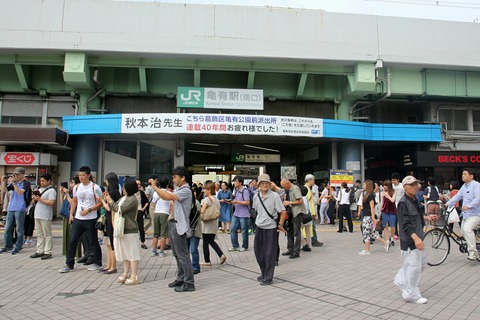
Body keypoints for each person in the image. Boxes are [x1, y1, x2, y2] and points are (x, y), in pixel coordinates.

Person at [150, 166, 195, 292]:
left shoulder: (186, 190)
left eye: (175, 177)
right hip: (173, 223)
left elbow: (167, 197)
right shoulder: (179, 189)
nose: (173, 180)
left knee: (183, 255)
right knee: (177, 254)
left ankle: (189, 282)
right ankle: (181, 278)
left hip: (179, 225)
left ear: (183, 178)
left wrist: (155, 187)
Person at [394, 175, 437, 304]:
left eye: (416, 184)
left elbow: (416, 217)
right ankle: (410, 294)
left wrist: (427, 218)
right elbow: (405, 224)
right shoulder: (403, 203)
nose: (415, 187)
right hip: (410, 240)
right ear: (405, 187)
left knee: (420, 263)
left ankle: (401, 280)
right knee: (414, 267)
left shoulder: (414, 200)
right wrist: (416, 238)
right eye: (411, 185)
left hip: (418, 237)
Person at [59, 166, 103, 273]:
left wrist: (89, 210)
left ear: (88, 175)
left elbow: (101, 202)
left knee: (93, 241)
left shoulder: (95, 187)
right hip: (78, 218)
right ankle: (69, 264)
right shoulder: (77, 187)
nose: (81, 177)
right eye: (80, 175)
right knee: (73, 241)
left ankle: (97, 263)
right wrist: (71, 215)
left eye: (83, 175)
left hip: (90, 218)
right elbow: (74, 201)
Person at [103, 179, 141, 285]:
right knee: (124, 253)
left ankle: (134, 275)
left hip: (130, 230)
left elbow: (119, 209)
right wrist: (109, 200)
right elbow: (115, 207)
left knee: (132, 253)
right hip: (121, 229)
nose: (122, 189)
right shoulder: (124, 198)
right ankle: (126, 273)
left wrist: (110, 200)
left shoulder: (133, 199)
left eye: (124, 187)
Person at [252, 174, 286, 285]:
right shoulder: (256, 196)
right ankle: (263, 272)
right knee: (258, 252)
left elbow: (283, 212)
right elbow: (255, 210)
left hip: (271, 228)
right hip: (259, 227)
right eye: (262, 183)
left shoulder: (275, 196)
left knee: (269, 253)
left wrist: (280, 225)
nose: (264, 185)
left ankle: (268, 277)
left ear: (270, 184)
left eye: (266, 183)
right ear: (259, 185)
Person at [446, 168, 480, 260]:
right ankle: (473, 246)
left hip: (475, 214)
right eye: (462, 174)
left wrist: (469, 206)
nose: (463, 176)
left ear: (471, 176)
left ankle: (473, 252)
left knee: (467, 229)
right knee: (463, 232)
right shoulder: (464, 186)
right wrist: (448, 204)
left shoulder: (476, 185)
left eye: (465, 174)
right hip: (466, 215)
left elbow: (478, 199)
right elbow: (457, 196)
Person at [0, 167, 31, 255]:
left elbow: (20, 192)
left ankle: (18, 246)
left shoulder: (26, 183)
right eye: (15, 174)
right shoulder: (14, 183)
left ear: (22, 174)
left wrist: (14, 184)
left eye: (17, 174)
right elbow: (4, 190)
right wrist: (4, 182)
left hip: (20, 208)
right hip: (11, 207)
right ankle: (8, 246)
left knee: (19, 229)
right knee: (7, 228)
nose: (16, 176)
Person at [358, 180, 389, 255]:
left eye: (364, 184)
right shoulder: (365, 194)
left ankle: (367, 249)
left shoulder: (370, 195)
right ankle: (385, 243)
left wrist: (373, 218)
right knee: (371, 233)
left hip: (367, 216)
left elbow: (372, 207)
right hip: (365, 215)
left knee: (366, 232)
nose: (363, 186)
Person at [99, 172, 122, 274]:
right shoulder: (114, 192)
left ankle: (113, 266)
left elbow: (109, 208)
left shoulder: (113, 193)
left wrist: (102, 201)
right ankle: (109, 265)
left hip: (111, 220)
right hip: (109, 219)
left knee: (111, 244)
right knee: (108, 243)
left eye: (107, 180)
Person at [199, 182, 226, 266]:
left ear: (209, 190)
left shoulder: (206, 199)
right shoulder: (217, 200)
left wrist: (200, 211)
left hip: (206, 224)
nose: (204, 191)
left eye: (205, 189)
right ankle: (221, 255)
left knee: (205, 243)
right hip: (214, 224)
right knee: (211, 241)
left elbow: (202, 210)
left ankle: (207, 260)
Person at [30, 174, 56, 260]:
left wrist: (40, 199)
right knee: (39, 234)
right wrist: (34, 198)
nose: (42, 182)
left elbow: (51, 202)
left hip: (45, 215)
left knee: (47, 234)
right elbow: (34, 202)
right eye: (41, 181)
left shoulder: (51, 190)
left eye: (43, 181)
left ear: (49, 181)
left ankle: (47, 251)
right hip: (37, 214)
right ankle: (39, 250)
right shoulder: (39, 189)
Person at [280, 178, 305, 259]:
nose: (284, 188)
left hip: (297, 213)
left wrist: (289, 202)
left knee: (296, 232)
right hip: (291, 213)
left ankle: (296, 251)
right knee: (289, 231)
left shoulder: (295, 188)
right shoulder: (288, 190)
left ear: (288, 183)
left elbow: (300, 201)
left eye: (284, 186)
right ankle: (290, 249)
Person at [60, 177, 83, 258]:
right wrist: (61, 193)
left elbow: (73, 202)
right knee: (67, 234)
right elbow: (62, 202)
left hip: (75, 215)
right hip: (67, 215)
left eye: (72, 183)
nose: (70, 185)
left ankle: (77, 254)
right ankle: (67, 252)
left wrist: (67, 194)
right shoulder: (69, 192)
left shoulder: (77, 192)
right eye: (70, 183)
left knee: (74, 235)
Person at [150, 177, 171, 257]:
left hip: (156, 213)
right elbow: (171, 204)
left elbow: (153, 204)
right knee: (163, 234)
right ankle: (161, 251)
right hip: (165, 213)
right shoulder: (169, 193)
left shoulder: (156, 193)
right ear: (167, 184)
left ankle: (154, 250)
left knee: (155, 234)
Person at [228, 176, 250, 252]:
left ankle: (245, 246)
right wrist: (231, 201)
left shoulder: (245, 191)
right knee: (232, 229)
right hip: (236, 213)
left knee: (244, 231)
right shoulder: (236, 190)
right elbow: (236, 200)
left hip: (244, 214)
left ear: (240, 182)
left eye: (235, 181)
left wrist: (237, 202)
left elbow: (247, 202)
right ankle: (235, 245)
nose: (234, 183)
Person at [134, 179, 149, 250]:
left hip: (139, 211)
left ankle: (142, 242)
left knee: (141, 227)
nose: (138, 185)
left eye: (139, 184)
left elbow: (147, 201)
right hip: (132, 212)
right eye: (137, 184)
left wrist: (143, 208)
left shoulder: (141, 193)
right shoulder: (131, 193)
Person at [381, 179, 397, 246]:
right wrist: (380, 208)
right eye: (384, 185)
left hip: (392, 211)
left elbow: (393, 200)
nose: (385, 187)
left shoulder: (394, 191)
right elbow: (382, 202)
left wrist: (387, 195)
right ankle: (387, 240)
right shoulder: (382, 193)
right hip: (384, 211)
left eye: (386, 185)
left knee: (393, 226)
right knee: (385, 226)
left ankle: (392, 238)